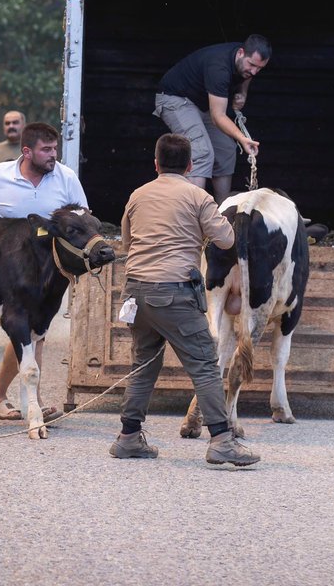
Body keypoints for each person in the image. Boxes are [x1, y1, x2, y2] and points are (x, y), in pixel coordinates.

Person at [109, 133, 260, 467]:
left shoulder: (137, 195)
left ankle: (128, 437)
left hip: (136, 293)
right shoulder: (197, 196)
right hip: (174, 292)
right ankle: (222, 441)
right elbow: (226, 240)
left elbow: (127, 241)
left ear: (156, 164)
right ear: (191, 165)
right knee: (205, 366)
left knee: (143, 365)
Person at [0, 122, 89, 422]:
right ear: (27, 151)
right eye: (46, 150)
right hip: (4, 269)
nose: (53, 155)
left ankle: (7, 394)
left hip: (48, 271)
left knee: (34, 332)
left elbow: (83, 217)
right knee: (31, 331)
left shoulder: (66, 177)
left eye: (55, 148)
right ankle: (22, 398)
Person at [154, 34, 271, 204]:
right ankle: (193, 213)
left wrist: (243, 92)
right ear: (240, 53)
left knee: (226, 150)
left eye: (259, 68)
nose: (254, 71)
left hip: (203, 105)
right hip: (175, 99)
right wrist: (242, 138)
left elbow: (248, 75)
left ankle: (222, 211)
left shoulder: (246, 58)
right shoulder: (219, 67)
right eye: (252, 65)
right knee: (201, 151)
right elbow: (218, 117)